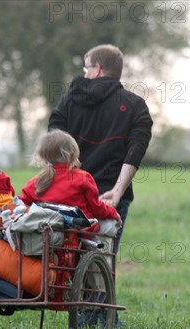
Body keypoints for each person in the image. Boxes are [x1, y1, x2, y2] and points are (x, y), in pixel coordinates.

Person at [48, 44, 153, 249]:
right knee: (102, 265)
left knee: (64, 263)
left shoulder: (67, 102)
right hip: (109, 198)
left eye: (86, 68)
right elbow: (135, 152)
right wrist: (117, 191)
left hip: (68, 194)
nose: (85, 73)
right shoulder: (135, 106)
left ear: (97, 69)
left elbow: (53, 146)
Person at [18, 129, 121, 226]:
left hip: (45, 235)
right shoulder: (83, 178)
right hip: (80, 233)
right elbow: (96, 208)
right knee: (107, 226)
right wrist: (113, 212)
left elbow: (21, 204)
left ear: (43, 156)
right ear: (72, 154)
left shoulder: (36, 182)